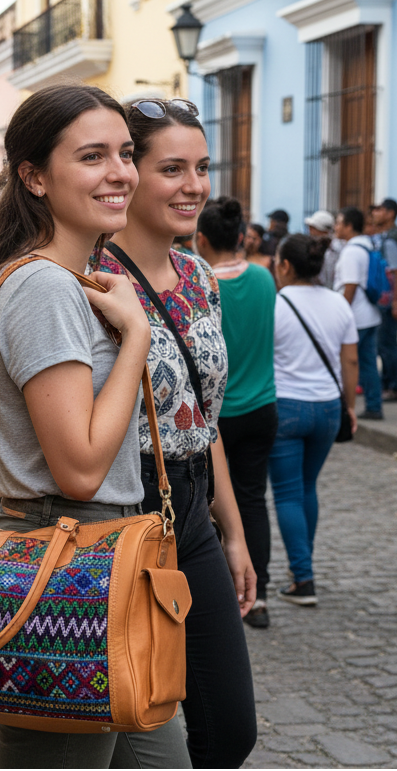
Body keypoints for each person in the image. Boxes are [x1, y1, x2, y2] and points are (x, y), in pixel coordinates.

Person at [0, 83, 190, 770]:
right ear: (33, 175)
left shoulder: (76, 277)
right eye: (91, 156)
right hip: (64, 569)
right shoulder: (45, 287)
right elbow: (79, 465)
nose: (120, 172)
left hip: (109, 555)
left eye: (123, 153)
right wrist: (137, 337)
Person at [92, 98, 257, 767]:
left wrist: (234, 531)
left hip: (190, 509)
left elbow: (202, 414)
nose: (193, 185)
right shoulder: (94, 279)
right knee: (133, 721)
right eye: (171, 168)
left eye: (201, 167)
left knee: (228, 725)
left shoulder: (196, 275)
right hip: (122, 512)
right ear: (129, 174)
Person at [197, 197, 278, 629]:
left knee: (212, 505)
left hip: (219, 417)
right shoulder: (266, 278)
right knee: (253, 499)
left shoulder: (202, 283)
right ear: (242, 236)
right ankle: (259, 594)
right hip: (264, 406)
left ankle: (223, 593)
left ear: (202, 239)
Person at [270, 234, 358, 606]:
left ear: (286, 266)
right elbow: (349, 360)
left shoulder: (277, 304)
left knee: (288, 492)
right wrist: (350, 406)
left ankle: (302, 578)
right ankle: (301, 566)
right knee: (307, 487)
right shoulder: (339, 303)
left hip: (286, 407)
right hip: (328, 407)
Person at [333, 207, 382, 420]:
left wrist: (340, 315)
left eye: (339, 222)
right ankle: (374, 406)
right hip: (369, 315)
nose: (336, 227)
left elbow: (350, 287)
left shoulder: (352, 251)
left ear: (349, 226)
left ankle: (343, 406)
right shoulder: (367, 245)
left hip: (356, 317)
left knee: (345, 361)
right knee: (368, 362)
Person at [371, 198, 397, 400]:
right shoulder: (383, 236)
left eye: (379, 210)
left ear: (390, 213)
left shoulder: (391, 239)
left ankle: (392, 386)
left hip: (389, 301)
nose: (375, 213)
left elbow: (395, 272)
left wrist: (395, 301)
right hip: (385, 299)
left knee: (387, 343)